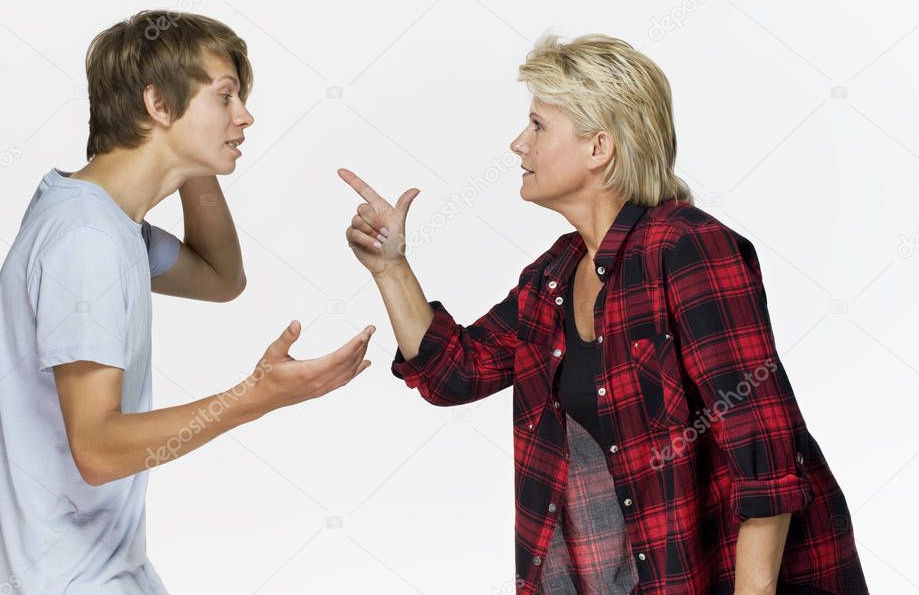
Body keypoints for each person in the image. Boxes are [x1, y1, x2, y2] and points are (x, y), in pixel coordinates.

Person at [338, 34, 867, 594]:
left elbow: (764, 450)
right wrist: (390, 267)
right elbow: (454, 374)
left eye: (538, 125)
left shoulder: (686, 247)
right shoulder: (555, 276)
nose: (518, 144)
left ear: (600, 148)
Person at [0, 10, 375, 594]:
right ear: (159, 104)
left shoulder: (105, 219)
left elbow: (220, 277)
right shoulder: (87, 240)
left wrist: (193, 158)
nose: (245, 115)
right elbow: (98, 449)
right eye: (225, 97)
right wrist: (255, 398)